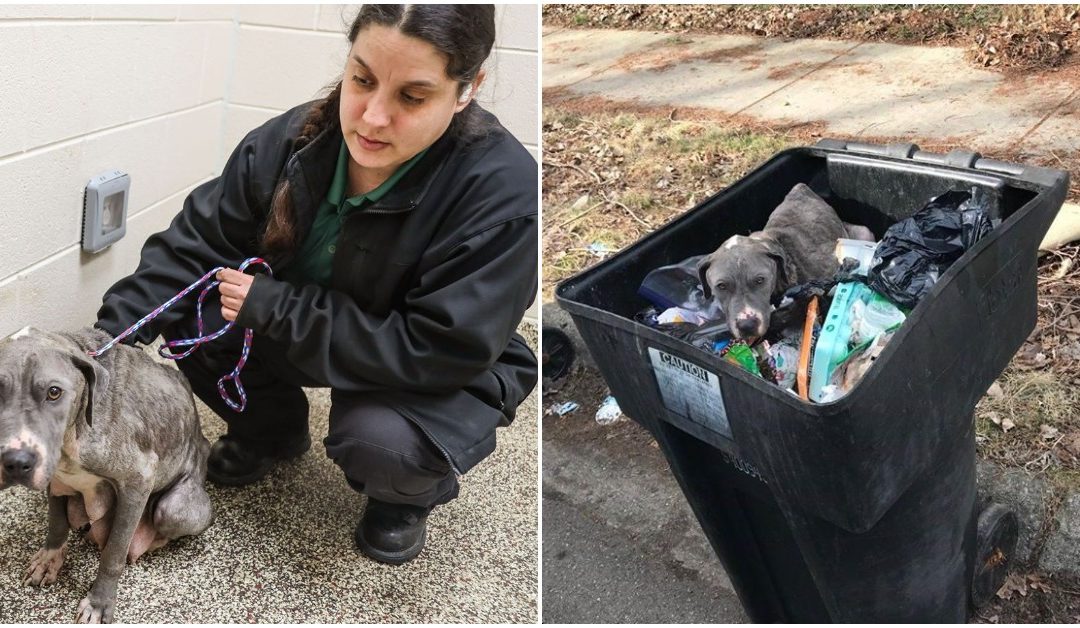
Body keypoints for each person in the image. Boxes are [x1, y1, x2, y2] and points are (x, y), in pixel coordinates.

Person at [94, 4, 538, 566]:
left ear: (467, 88)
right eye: (363, 80)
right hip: (312, 321)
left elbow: (441, 347)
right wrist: (102, 343)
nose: (373, 118)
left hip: (432, 362)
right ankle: (270, 432)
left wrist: (281, 310)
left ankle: (405, 496)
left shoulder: (502, 194)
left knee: (383, 445)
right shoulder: (288, 141)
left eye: (412, 97)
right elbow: (194, 246)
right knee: (193, 314)